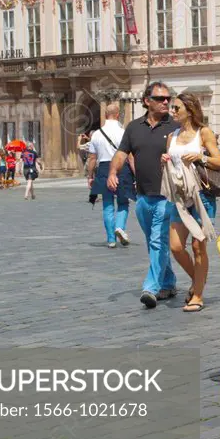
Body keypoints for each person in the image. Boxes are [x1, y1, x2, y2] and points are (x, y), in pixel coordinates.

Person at [109, 81, 177, 310]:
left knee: (158, 241)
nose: (166, 102)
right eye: (160, 98)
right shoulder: (133, 127)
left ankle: (151, 288)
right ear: (147, 101)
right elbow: (121, 153)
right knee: (153, 243)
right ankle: (168, 281)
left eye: (168, 98)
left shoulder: (175, 127)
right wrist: (112, 172)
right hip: (143, 196)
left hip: (167, 196)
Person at [164, 93, 220, 313]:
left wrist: (201, 157)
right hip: (179, 197)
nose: (172, 111)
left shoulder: (203, 133)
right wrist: (165, 160)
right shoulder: (172, 136)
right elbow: (173, 163)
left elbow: (219, 161)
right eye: (172, 107)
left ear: (189, 109)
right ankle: (198, 279)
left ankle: (197, 294)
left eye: (176, 108)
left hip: (201, 197)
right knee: (176, 247)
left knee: (198, 247)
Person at [87, 103, 135, 248]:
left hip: (103, 168)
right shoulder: (123, 132)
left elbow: (92, 158)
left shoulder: (96, 134)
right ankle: (120, 227)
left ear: (105, 114)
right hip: (122, 168)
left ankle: (111, 239)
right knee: (123, 202)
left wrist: (90, 176)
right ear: (117, 114)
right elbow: (131, 156)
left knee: (107, 205)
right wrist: (136, 174)